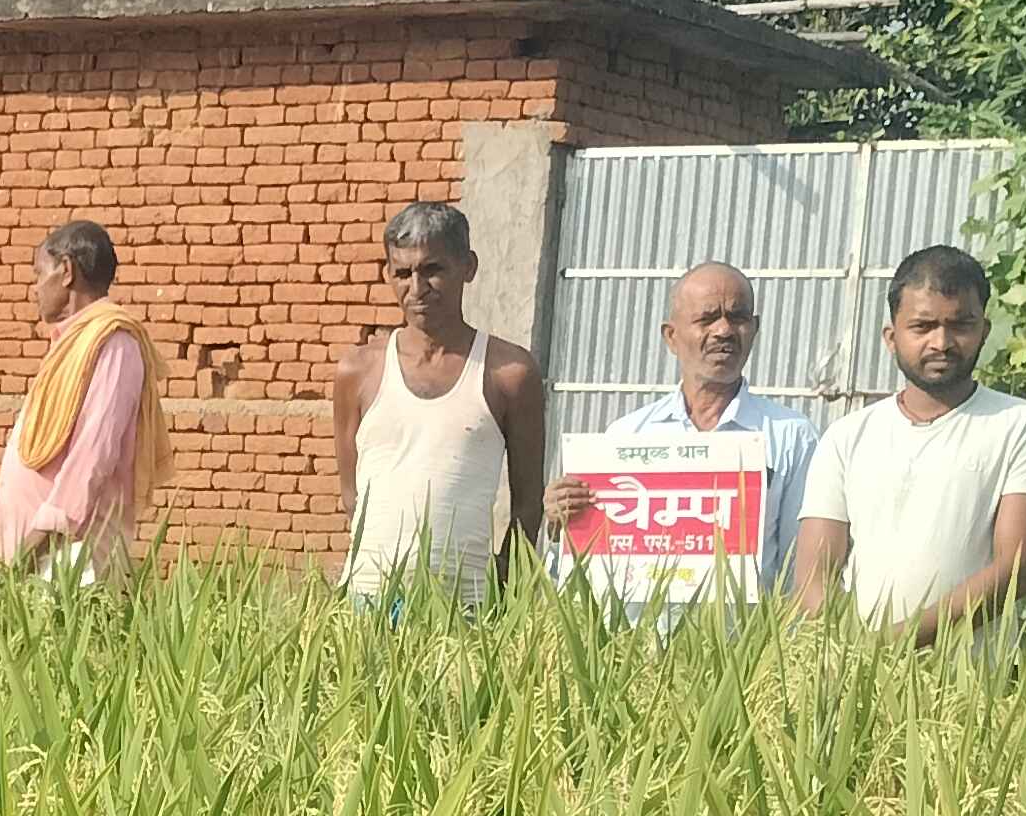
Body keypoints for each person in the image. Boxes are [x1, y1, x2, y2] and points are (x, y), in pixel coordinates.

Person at [792, 247, 1026, 639]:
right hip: (852, 668)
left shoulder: (1022, 426)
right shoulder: (847, 436)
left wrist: (890, 644)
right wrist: (850, 653)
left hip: (967, 675)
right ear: (891, 337)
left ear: (984, 331)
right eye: (922, 326)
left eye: (960, 325)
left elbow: (1014, 572)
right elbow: (814, 578)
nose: (942, 342)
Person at [543, 260, 820, 615]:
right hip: (638, 642)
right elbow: (587, 576)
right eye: (707, 318)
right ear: (671, 337)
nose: (724, 330)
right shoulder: (628, 437)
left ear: (754, 329)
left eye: (737, 317)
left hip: (744, 645)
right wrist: (563, 525)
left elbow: (802, 571)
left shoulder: (791, 437)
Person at [328, 201, 546, 608]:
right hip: (368, 599)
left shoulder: (509, 373)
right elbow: (352, 496)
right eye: (402, 273)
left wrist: (503, 594)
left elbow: (528, 504)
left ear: (468, 267)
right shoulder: (357, 371)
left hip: (466, 604)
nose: (417, 288)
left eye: (433, 269)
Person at [0, 220, 166, 576]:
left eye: (39, 273)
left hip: (69, 557)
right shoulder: (71, 344)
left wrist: (37, 541)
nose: (35, 288)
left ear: (67, 271)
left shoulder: (114, 343)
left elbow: (93, 455)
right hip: (32, 556)